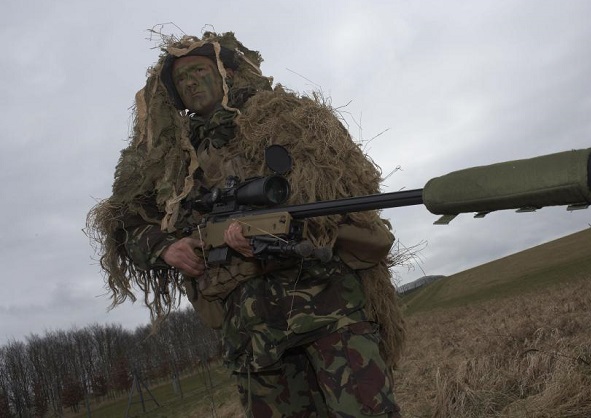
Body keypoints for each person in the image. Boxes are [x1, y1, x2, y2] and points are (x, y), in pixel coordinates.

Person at [87, 31, 405, 417]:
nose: (190, 81)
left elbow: (345, 185)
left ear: (225, 73)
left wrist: (279, 225)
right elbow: (125, 221)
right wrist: (165, 246)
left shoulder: (283, 117)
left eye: (200, 70)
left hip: (327, 307)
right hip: (250, 337)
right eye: (181, 78)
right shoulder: (166, 161)